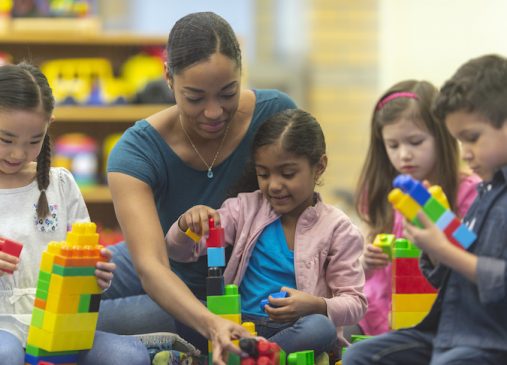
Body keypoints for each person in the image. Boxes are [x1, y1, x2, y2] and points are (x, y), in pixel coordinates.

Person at [98, 11, 297, 363]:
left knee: (164, 318)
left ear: (241, 74)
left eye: (227, 93)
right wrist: (211, 324)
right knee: (71, 289)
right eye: (195, 97)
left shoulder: (275, 116)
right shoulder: (135, 151)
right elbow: (151, 266)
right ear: (168, 78)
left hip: (236, 286)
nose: (214, 112)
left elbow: (305, 216)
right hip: (163, 269)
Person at [343, 54, 507, 365]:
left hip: (489, 337)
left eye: (472, 138)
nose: (466, 153)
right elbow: (456, 260)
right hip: (446, 330)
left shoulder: (475, 190)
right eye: (461, 141)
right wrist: (432, 249)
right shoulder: (486, 192)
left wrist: (444, 250)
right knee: (360, 354)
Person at [166, 109, 367, 357]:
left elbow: (355, 302)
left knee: (321, 327)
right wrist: (187, 226)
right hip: (236, 323)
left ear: (319, 167)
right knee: (182, 307)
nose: (273, 185)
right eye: (264, 174)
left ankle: (250, 356)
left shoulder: (338, 228)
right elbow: (180, 252)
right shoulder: (244, 208)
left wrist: (315, 305)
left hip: (295, 328)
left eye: (288, 174)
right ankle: (256, 354)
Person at [0, 63, 150, 365]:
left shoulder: (61, 184)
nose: (18, 153)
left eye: (33, 141)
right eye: (6, 140)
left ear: (48, 125)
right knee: (6, 354)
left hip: (63, 325)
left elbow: (87, 257)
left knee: (129, 357)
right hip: (4, 326)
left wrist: (97, 274)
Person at [345, 80, 480, 339]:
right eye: (393, 145)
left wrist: (439, 224)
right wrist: (366, 262)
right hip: (376, 313)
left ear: (441, 137)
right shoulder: (379, 192)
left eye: (416, 142)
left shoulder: (467, 191)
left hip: (435, 317)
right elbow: (360, 267)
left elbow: (471, 248)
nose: (404, 155)